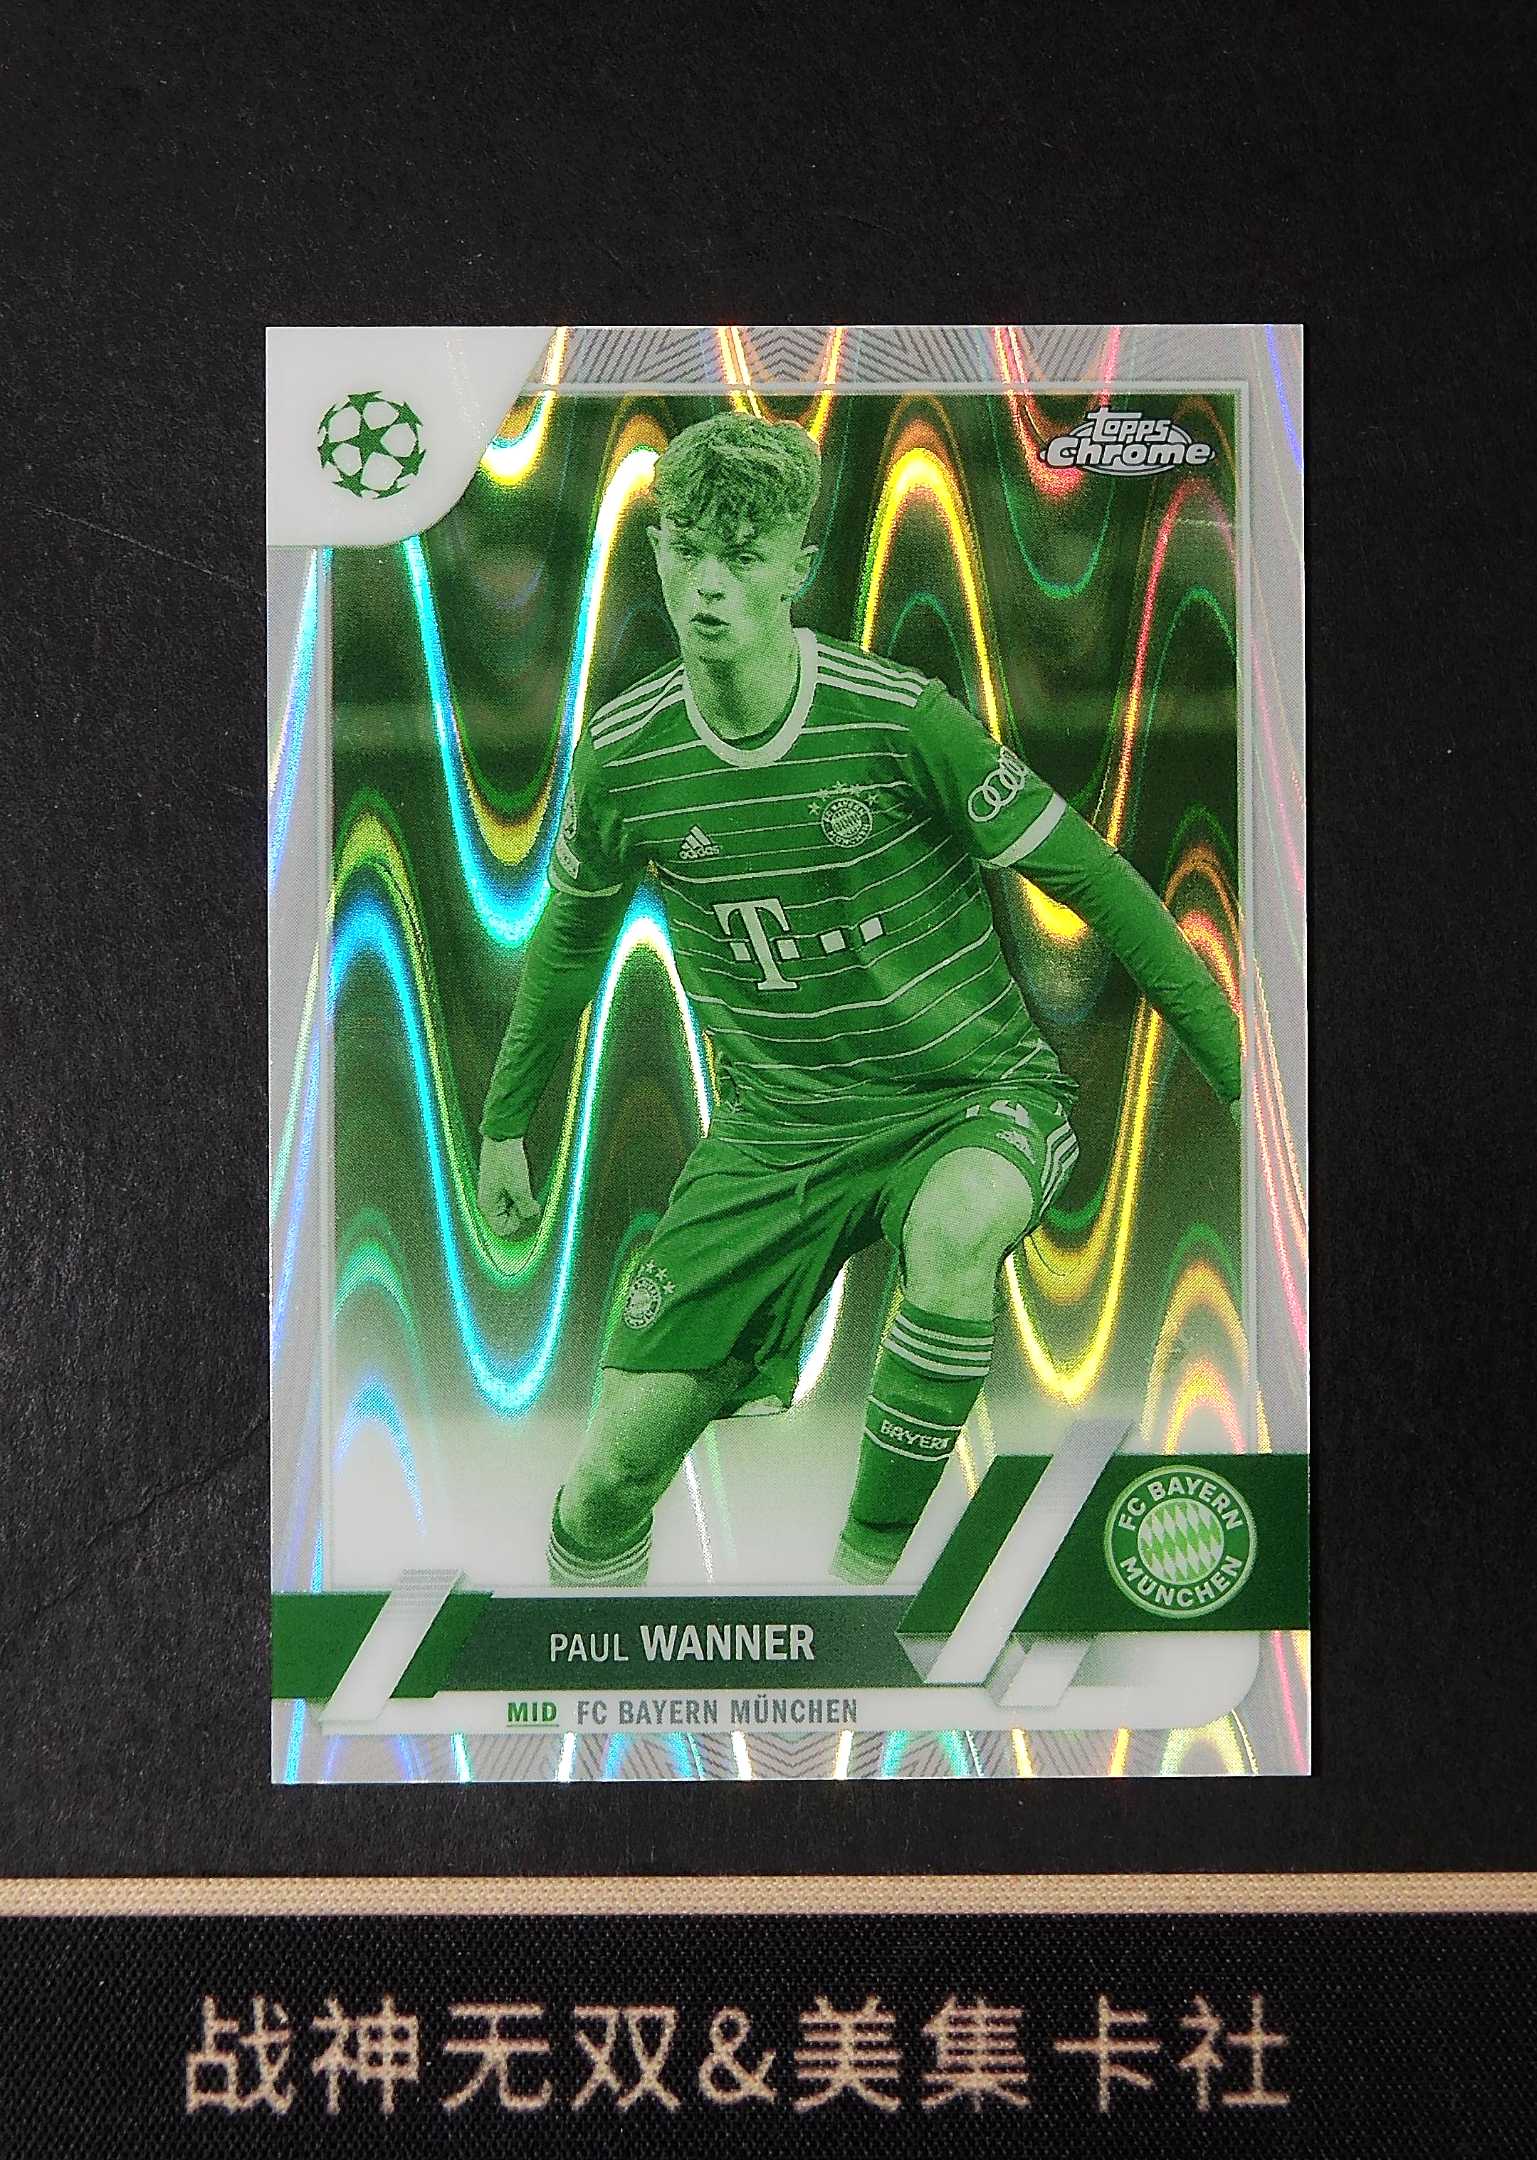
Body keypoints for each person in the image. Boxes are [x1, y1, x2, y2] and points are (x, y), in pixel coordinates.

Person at [478, 410, 1239, 1589]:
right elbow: (569, 949)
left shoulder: (896, 719)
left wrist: (1246, 1078)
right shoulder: (625, 757)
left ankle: (863, 1583)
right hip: (777, 1133)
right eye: (689, 549)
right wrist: (503, 1124)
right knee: (608, 1481)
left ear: (795, 566)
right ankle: (596, 1659)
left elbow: (1100, 886)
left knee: (953, 1231)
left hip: (965, 1095)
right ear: (658, 552)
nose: (710, 583)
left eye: (743, 556)